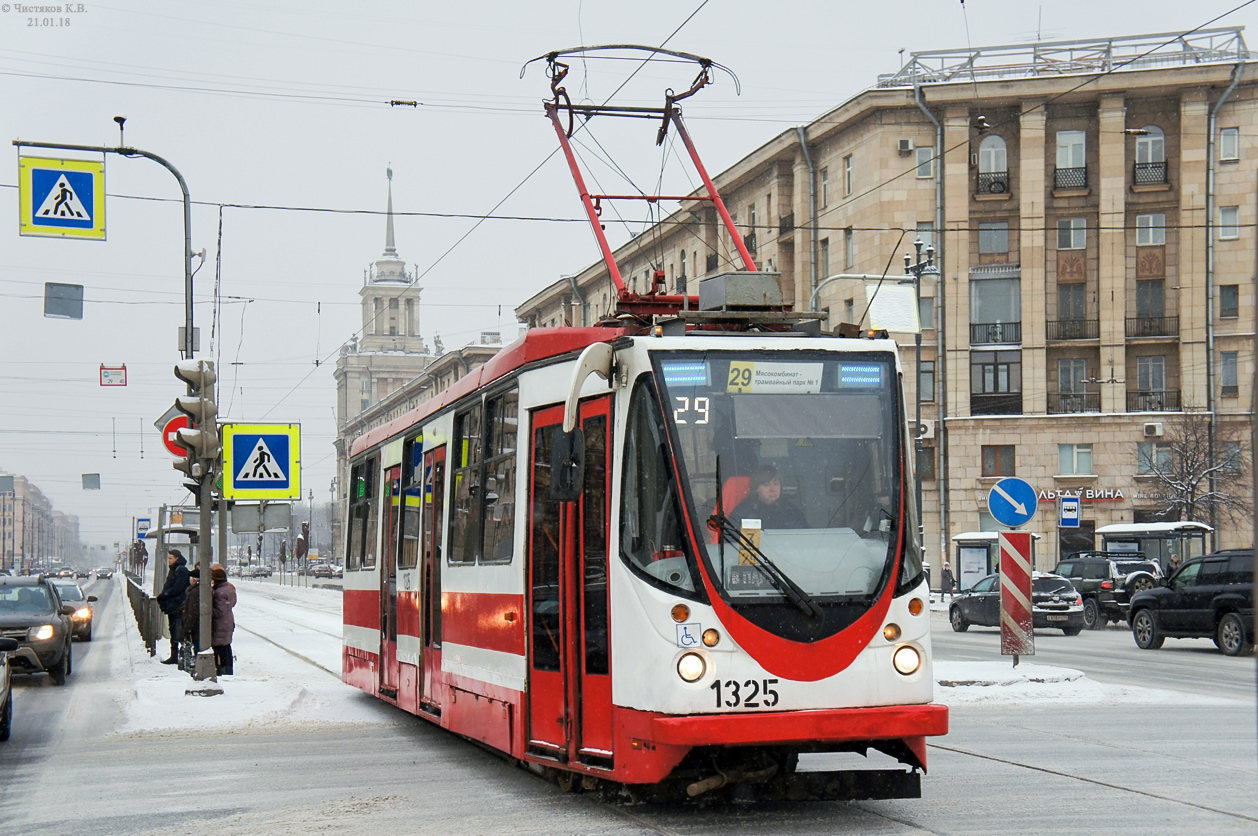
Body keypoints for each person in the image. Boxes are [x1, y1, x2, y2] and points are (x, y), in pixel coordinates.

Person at [731, 464, 807, 529]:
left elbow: (805, 537)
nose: (772, 489)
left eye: (776, 484)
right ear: (756, 488)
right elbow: (732, 541)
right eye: (766, 485)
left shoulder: (791, 511)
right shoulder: (744, 512)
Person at [155, 549, 191, 664]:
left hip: (178, 606)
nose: (168, 561)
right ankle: (174, 655)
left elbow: (177, 588)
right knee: (173, 629)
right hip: (173, 605)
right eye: (168, 558)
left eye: (171, 558)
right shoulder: (174, 570)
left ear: (177, 558)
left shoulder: (181, 570)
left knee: (177, 630)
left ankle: (179, 656)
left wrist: (165, 595)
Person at [210, 564, 237, 676]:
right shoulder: (228, 589)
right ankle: (228, 669)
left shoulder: (219, 592)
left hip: (220, 623)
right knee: (226, 646)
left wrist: (208, 612)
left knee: (220, 648)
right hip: (228, 621)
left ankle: (223, 671)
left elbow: (220, 611)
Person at [179, 568, 201, 671]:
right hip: (198, 626)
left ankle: (199, 668)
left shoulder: (194, 592)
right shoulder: (196, 590)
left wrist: (186, 628)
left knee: (198, 648)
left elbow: (192, 612)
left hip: (196, 627)